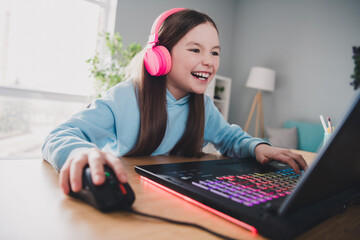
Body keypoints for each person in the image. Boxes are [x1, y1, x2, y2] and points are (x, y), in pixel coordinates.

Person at [42, 8, 307, 195]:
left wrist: (257, 147)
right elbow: (60, 134)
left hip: (179, 196)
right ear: (160, 56)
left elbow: (228, 138)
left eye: (215, 52)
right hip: (134, 193)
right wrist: (81, 153)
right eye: (195, 49)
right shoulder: (125, 97)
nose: (209, 61)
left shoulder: (201, 105)